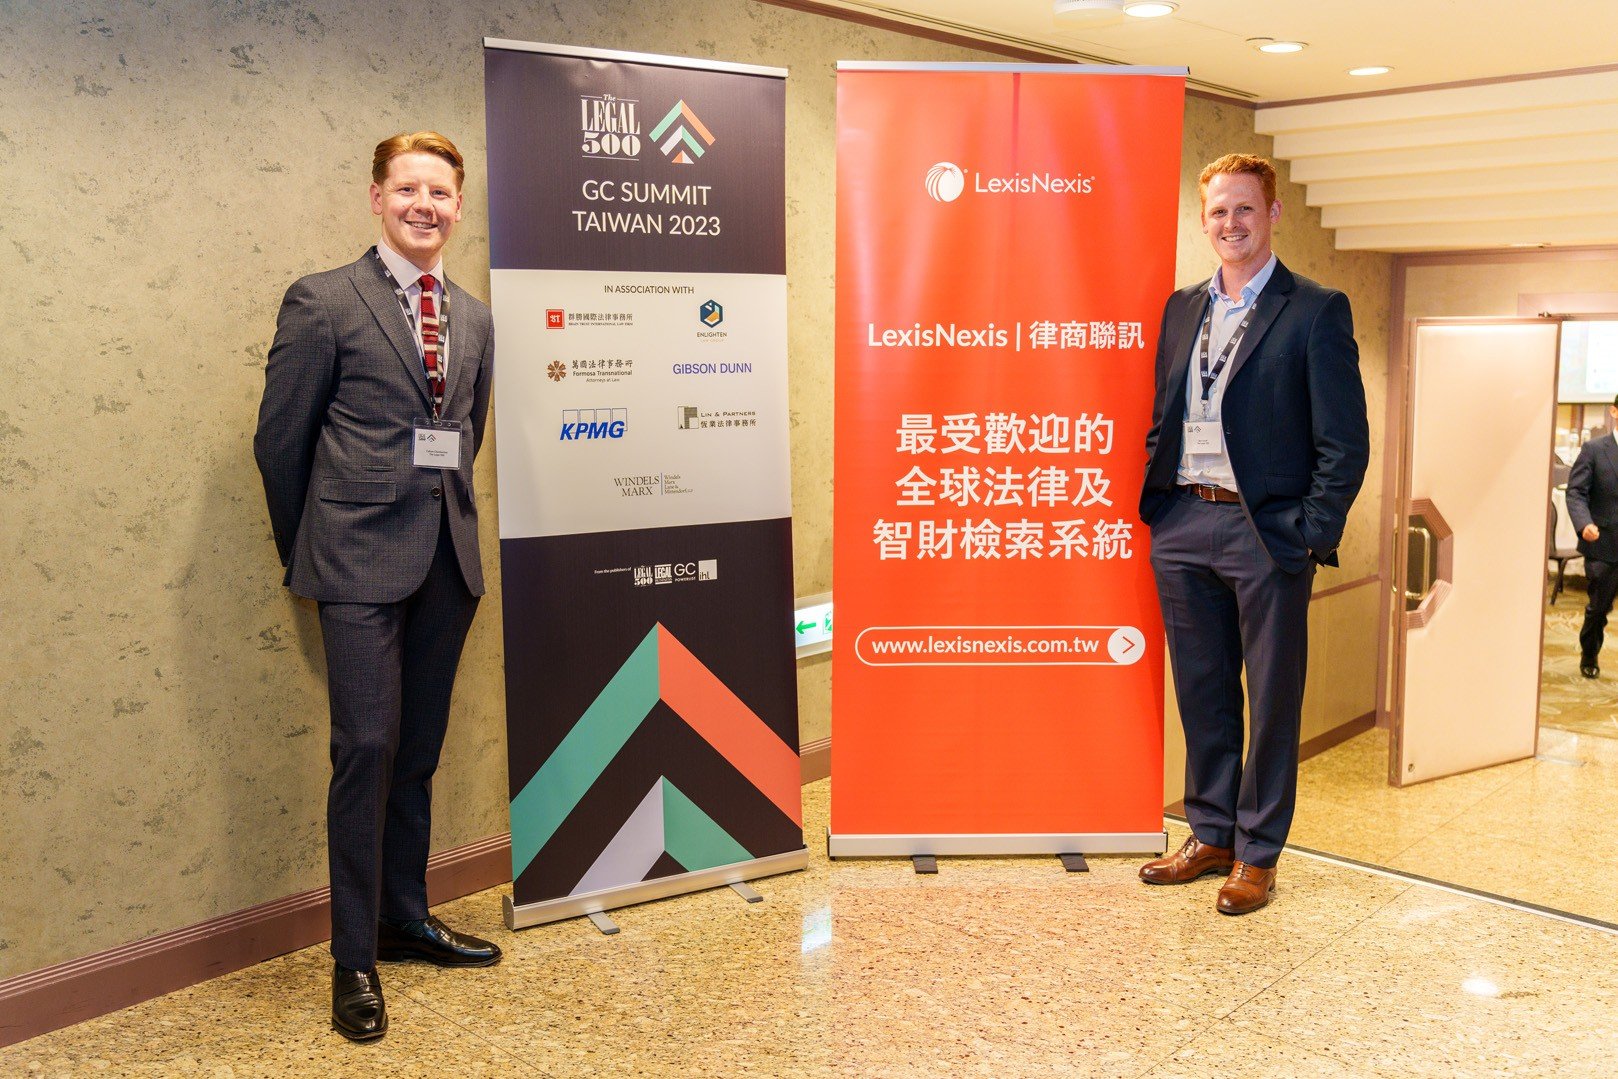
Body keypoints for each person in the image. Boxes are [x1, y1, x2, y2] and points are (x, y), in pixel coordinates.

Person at [254, 131, 500, 1041]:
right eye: (407, 189)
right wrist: (311, 553)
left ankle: (403, 916)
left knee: (418, 752)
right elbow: (280, 442)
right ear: (376, 197)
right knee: (365, 748)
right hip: (354, 562)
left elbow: (465, 434)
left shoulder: (474, 317)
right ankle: (352, 955)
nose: (424, 205)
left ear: (458, 206)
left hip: (446, 561)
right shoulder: (323, 300)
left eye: (440, 192)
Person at [1136, 154, 1369, 915]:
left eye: (1244, 208)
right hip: (1183, 521)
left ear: (1272, 214)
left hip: (1264, 531)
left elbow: (1345, 442)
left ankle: (1258, 852)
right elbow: (1167, 412)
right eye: (1217, 212)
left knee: (1270, 699)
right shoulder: (1182, 308)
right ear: (1203, 221)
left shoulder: (1315, 310)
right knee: (1202, 690)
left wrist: (1308, 532)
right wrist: (1164, 503)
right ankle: (1210, 833)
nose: (1230, 223)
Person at [1564, 399, 1618, 678]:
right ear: (1614, 411)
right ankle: (1589, 654)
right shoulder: (1595, 450)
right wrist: (1584, 523)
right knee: (1599, 608)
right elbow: (1576, 492)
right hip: (1603, 543)